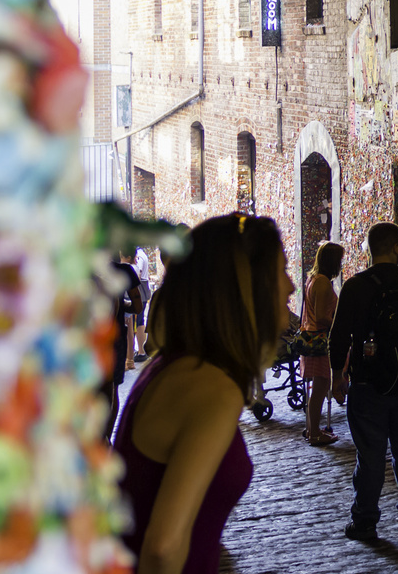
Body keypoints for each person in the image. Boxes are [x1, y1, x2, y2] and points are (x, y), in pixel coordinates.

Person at [114, 213, 293, 574]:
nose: (290, 287)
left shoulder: (180, 367)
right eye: (282, 271)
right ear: (247, 288)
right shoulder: (211, 386)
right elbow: (163, 550)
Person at [329, 223, 398, 540]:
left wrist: (338, 375)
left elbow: (338, 337)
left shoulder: (355, 287)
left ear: (369, 248)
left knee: (371, 456)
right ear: (397, 248)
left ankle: (365, 521)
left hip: (367, 385)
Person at [299, 242, 344, 446]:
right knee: (320, 388)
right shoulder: (324, 283)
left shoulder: (313, 279)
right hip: (319, 341)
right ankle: (315, 433)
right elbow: (320, 318)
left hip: (310, 338)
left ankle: (312, 429)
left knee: (316, 389)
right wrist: (340, 320)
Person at [102, 254, 142, 441]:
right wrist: (125, 306)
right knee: (113, 389)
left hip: (88, 340)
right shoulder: (124, 271)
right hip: (115, 338)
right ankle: (107, 437)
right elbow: (138, 306)